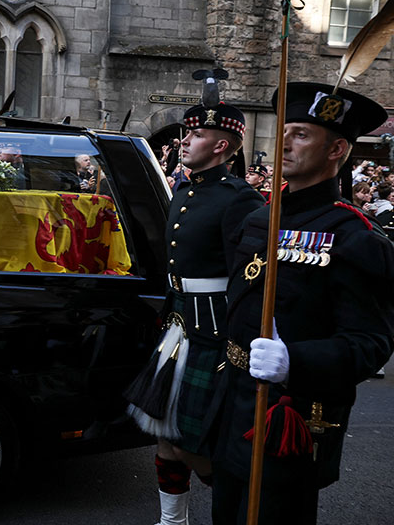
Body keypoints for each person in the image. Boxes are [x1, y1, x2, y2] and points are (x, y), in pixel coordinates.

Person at [209, 82, 394, 524]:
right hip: (232, 403)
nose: (285, 142)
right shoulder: (257, 218)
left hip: (289, 414)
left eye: (302, 134)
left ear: (338, 150)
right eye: (285, 130)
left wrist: (296, 359)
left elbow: (370, 343)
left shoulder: (355, 237)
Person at [126, 102, 263, 525]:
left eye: (194, 136)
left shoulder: (240, 199)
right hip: (179, 322)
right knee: (165, 439)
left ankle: (232, 507)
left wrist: (234, 340)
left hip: (215, 330)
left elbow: (247, 279)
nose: (182, 141)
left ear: (222, 146)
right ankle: (173, 521)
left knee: (193, 443)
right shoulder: (185, 190)